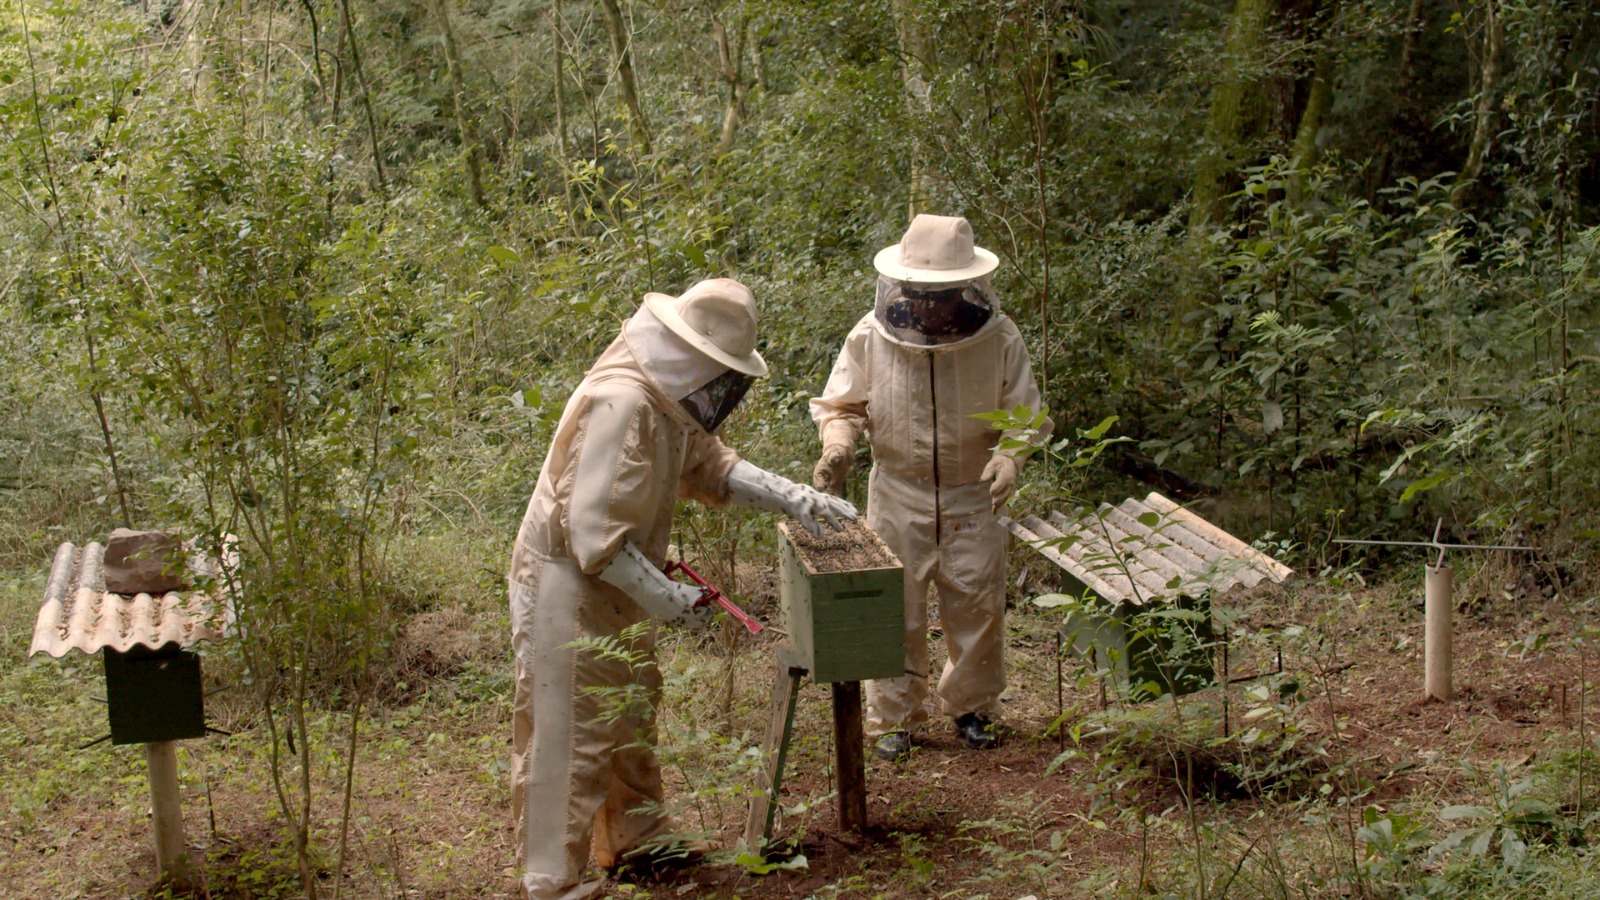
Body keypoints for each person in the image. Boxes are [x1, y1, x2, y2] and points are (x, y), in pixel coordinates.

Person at [508, 278, 856, 900]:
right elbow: (591, 536)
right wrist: (673, 600)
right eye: (717, 370)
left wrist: (794, 495)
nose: (722, 388)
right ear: (687, 355)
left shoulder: (665, 402)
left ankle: (637, 838)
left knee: (630, 707)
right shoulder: (622, 404)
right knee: (569, 726)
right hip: (567, 582)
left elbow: (712, 466)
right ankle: (549, 880)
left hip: (615, 581)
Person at [809, 215, 1051, 761]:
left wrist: (1011, 456)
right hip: (898, 489)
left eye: (939, 296)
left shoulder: (999, 337)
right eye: (919, 294)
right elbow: (842, 405)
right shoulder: (871, 335)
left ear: (964, 289)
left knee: (977, 603)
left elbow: (1024, 414)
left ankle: (973, 709)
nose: (928, 306)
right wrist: (838, 445)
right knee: (896, 605)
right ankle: (894, 717)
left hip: (974, 492)